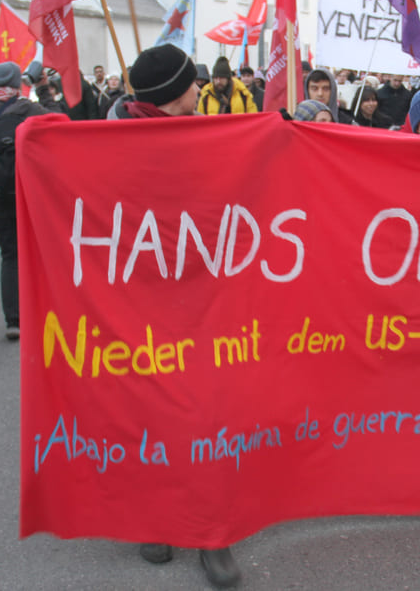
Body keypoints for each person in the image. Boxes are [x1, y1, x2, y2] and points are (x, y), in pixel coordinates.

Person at [105, 44, 242, 587]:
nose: (199, 85)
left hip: (207, 293)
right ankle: (157, 517)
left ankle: (213, 533)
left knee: (207, 409)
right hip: (141, 299)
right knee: (153, 409)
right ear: (175, 91)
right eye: (192, 80)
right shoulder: (111, 140)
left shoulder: (206, 131)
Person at [0, 62, 62, 340]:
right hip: (29, 193)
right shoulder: (28, 110)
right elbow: (60, 124)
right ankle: (43, 311)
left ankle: (13, 320)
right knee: (39, 252)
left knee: (10, 255)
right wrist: (44, 90)